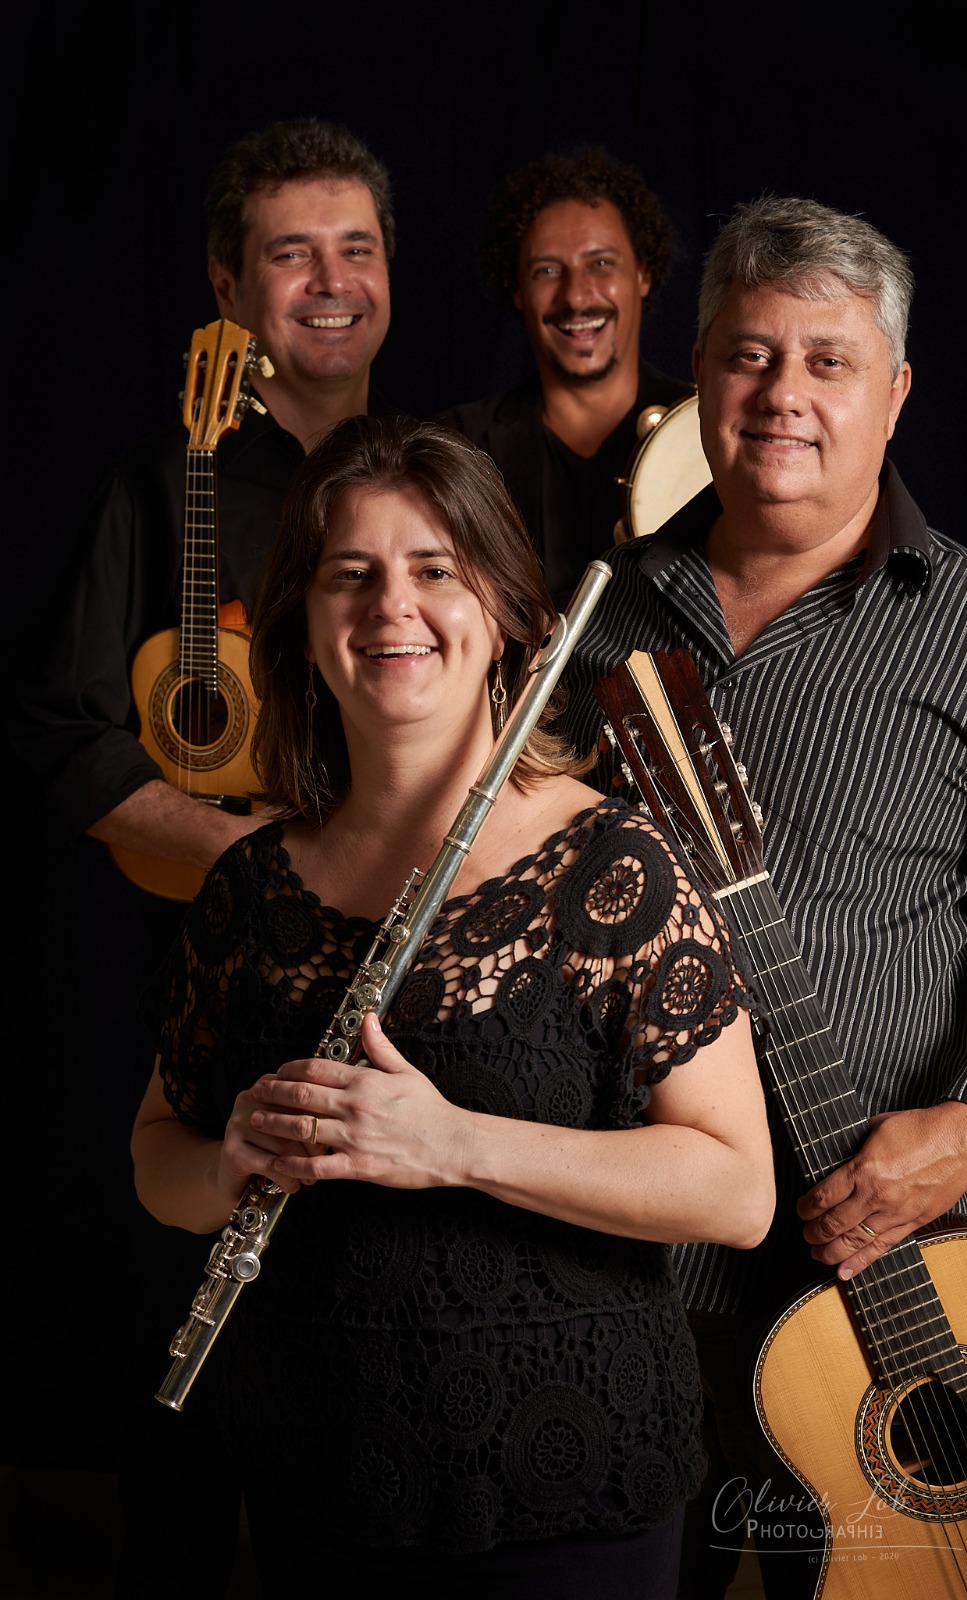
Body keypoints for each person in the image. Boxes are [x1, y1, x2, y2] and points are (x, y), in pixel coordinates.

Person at [129, 413, 775, 1600]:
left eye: (434, 570)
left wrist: (452, 1145)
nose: (391, 609)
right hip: (311, 1478)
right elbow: (154, 1160)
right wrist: (227, 1160)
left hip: (565, 1491)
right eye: (351, 574)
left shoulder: (611, 863)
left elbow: (734, 1192)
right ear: (305, 625)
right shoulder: (251, 884)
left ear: (506, 619)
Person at [555, 195, 967, 1598]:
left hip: (862, 1284)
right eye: (746, 354)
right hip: (607, 1271)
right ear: (701, 375)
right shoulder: (582, 621)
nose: (779, 396)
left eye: (825, 360)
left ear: (893, 393)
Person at [4, 117, 397, 1597]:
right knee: (174, 1343)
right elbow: (59, 733)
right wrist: (244, 861)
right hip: (178, 977)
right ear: (229, 288)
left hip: (381, 976)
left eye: (356, 248)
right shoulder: (153, 488)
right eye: (291, 253)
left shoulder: (431, 478)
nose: (330, 282)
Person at [437, 147, 694, 608]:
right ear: (518, 290)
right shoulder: (455, 445)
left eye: (601, 263)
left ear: (643, 274)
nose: (576, 297)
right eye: (548, 270)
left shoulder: (704, 433)